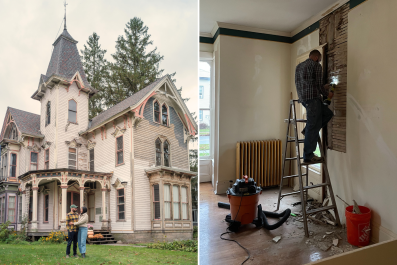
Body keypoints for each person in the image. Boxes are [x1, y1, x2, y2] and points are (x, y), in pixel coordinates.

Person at [295, 49, 334, 164]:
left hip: (304, 99)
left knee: (328, 114)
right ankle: (308, 155)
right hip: (313, 100)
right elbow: (317, 84)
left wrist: (324, 87)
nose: (320, 61)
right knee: (313, 126)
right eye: (320, 59)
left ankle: (307, 131)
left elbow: (308, 83)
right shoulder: (316, 65)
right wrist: (328, 94)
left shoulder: (299, 66)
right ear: (317, 57)